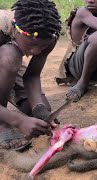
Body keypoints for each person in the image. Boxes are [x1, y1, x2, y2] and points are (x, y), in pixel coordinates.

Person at [0, 0, 62, 150]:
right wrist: (18, 121)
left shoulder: (48, 34)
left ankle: (9, 93)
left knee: (41, 112)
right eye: (31, 44)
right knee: (11, 55)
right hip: (7, 58)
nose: (36, 51)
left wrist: (38, 107)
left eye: (42, 46)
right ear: (15, 30)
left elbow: (32, 76)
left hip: (9, 62)